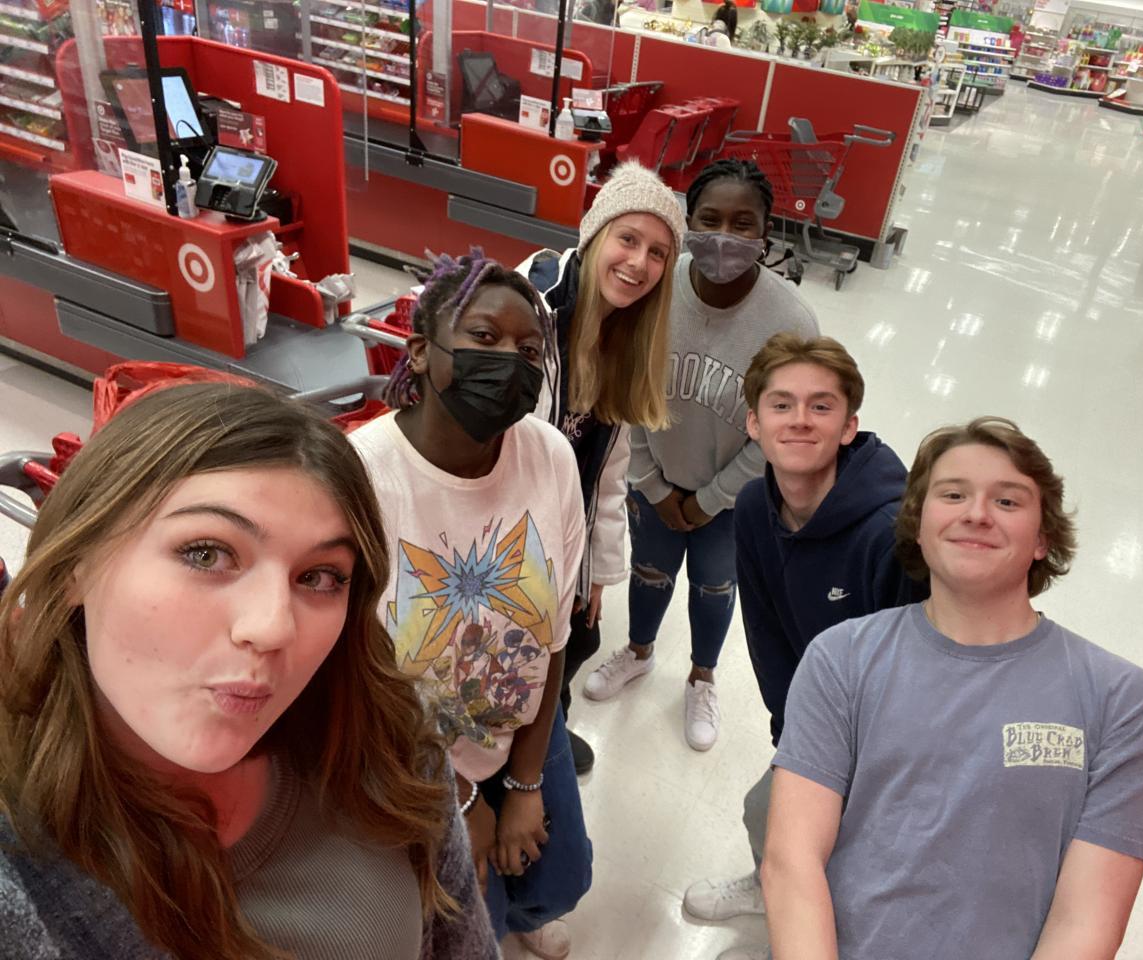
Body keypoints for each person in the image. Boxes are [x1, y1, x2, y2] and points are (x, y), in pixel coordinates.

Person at [0, 383, 496, 960]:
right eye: (206, 553)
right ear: (74, 567)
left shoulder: (385, 734)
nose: (273, 627)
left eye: (319, 577)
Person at [762, 417, 1143, 960]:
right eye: (953, 494)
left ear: (1043, 538)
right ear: (918, 524)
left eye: (1007, 501)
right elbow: (791, 861)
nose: (977, 513)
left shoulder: (1125, 703)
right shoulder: (840, 658)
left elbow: (1086, 922)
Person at [350, 250, 592, 960]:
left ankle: (524, 912)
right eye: (484, 337)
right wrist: (461, 801)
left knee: (565, 876)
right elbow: (356, 686)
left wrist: (523, 782)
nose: (509, 361)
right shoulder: (361, 478)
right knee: (466, 920)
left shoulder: (550, 456)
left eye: (529, 350)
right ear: (421, 352)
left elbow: (552, 638)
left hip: (519, 722)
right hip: (408, 756)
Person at [682, 334, 924, 960]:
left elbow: (916, 673)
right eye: (781, 404)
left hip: (888, 745)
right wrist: (792, 732)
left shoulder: (889, 534)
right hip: (816, 723)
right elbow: (765, 630)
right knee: (764, 813)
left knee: (844, 863)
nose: (800, 420)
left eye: (821, 406)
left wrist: (857, 774)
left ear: (849, 426)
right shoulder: (754, 504)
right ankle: (772, 887)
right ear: (753, 423)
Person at [581, 161, 817, 754]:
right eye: (709, 220)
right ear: (688, 223)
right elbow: (626, 388)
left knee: (716, 586)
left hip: (735, 498)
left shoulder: (791, 323)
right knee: (649, 571)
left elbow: (784, 432)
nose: (724, 237)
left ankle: (701, 677)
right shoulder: (655, 290)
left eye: (744, 224)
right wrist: (652, 483)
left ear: (766, 232)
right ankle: (638, 651)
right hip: (653, 481)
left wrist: (712, 499)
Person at [519, 161, 685, 774]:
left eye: (658, 253)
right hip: (504, 538)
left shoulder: (626, 338)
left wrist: (597, 570)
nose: (639, 263)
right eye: (628, 239)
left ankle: (549, 731)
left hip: (565, 532)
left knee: (581, 635)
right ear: (594, 235)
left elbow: (608, 471)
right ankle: (527, 764)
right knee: (517, 659)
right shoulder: (530, 313)